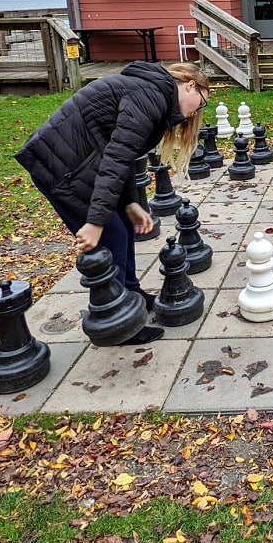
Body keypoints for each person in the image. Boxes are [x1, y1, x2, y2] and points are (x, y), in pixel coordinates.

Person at [16, 61, 211, 344]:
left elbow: (121, 153)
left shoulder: (151, 93)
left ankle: (132, 296)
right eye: (201, 102)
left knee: (124, 229)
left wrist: (131, 202)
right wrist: (95, 222)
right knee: (113, 236)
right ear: (191, 85)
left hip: (79, 162)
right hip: (61, 165)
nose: (197, 111)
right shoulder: (151, 96)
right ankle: (120, 322)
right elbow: (116, 158)